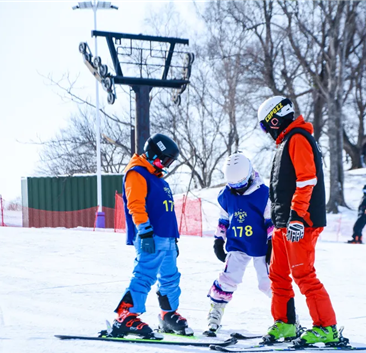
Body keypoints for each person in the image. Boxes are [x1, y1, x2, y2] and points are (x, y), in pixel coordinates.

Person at [257, 95, 340, 346]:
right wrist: (278, 222)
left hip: (300, 221)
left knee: (303, 274)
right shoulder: (285, 142)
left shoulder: (298, 139)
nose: (266, 132)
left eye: (265, 126)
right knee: (278, 275)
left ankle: (326, 327)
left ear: (274, 120)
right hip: (284, 223)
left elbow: (307, 180)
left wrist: (297, 217)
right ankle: (285, 324)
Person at [108, 133, 192, 339]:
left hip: (168, 238)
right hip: (151, 237)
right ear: (155, 153)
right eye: (165, 159)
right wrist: (144, 231)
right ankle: (125, 315)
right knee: (145, 275)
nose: (167, 165)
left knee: (171, 278)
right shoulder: (137, 173)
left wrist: (174, 239)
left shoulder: (158, 178)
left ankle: (167, 314)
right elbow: (135, 204)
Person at [205, 153, 273, 336]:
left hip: (260, 246)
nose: (238, 189)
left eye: (241, 184)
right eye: (234, 185)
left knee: (268, 282)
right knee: (228, 278)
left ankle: (286, 317)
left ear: (250, 174)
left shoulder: (263, 193)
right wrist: (219, 239)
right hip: (237, 243)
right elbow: (224, 219)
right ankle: (215, 313)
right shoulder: (226, 195)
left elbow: (269, 221)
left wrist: (272, 242)